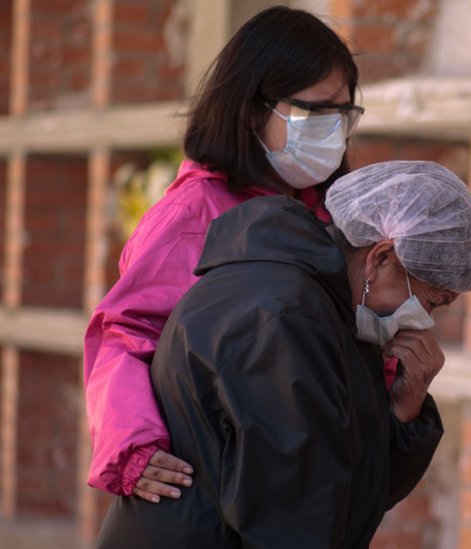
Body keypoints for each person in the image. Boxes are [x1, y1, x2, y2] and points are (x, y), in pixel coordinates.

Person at [95, 161, 471, 548]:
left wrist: (405, 412)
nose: (423, 322)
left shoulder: (333, 310)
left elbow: (342, 489)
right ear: (381, 257)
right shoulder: (284, 320)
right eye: (431, 302)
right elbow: (295, 519)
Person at [83, 6, 367, 502]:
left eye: (344, 112)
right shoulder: (193, 214)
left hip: (297, 487)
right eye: (315, 112)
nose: (334, 129)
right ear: (252, 109)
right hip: (212, 488)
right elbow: (126, 334)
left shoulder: (329, 212)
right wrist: (133, 448)